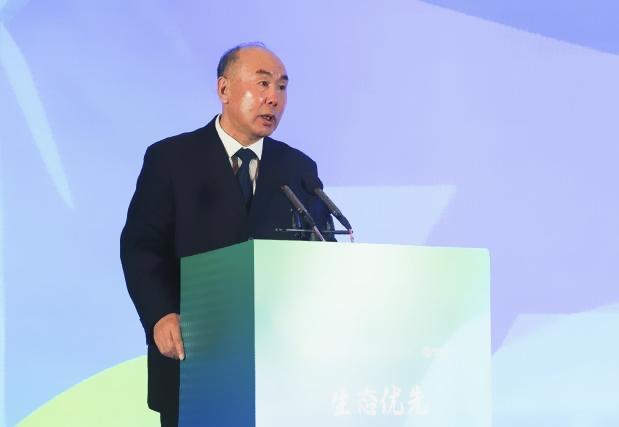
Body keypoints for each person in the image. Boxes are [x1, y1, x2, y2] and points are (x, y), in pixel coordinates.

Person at [120, 42, 334, 427]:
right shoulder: (171, 159)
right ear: (224, 89)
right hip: (194, 358)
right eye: (263, 83)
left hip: (278, 368)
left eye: (282, 87)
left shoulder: (298, 169)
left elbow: (321, 253)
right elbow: (141, 247)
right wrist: (160, 313)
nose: (274, 98)